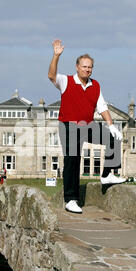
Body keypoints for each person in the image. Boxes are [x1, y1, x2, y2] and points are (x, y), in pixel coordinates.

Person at [48, 39, 126, 214]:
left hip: (87, 126)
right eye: (84, 67)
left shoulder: (95, 85)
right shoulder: (66, 81)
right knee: (72, 160)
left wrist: (111, 125)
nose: (87, 70)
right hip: (68, 126)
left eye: (90, 67)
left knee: (113, 137)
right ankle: (71, 199)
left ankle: (106, 175)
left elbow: (102, 106)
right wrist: (56, 56)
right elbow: (51, 76)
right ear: (77, 67)